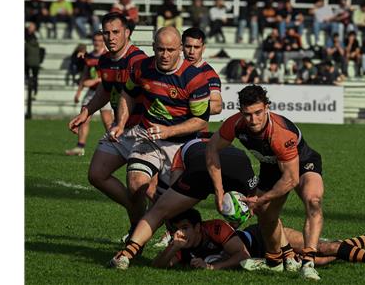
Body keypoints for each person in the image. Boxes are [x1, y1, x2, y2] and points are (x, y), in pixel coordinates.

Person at [107, 26, 212, 251]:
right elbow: (128, 94)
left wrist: (168, 131)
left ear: (180, 50)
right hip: (148, 137)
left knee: (173, 204)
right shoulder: (142, 67)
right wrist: (121, 123)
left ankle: (188, 244)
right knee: (136, 185)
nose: (165, 55)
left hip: (181, 145)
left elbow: (201, 121)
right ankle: (136, 230)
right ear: (153, 48)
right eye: (160, 49)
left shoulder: (195, 79)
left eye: (171, 50)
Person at [205, 85, 326, 280]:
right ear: (240, 111)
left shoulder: (280, 133)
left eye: (258, 112)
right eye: (248, 114)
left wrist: (260, 199)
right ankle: (276, 261)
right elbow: (211, 149)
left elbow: (291, 179)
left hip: (302, 163)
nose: (253, 120)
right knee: (265, 217)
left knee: (313, 201)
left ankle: (308, 262)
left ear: (267, 107)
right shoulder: (235, 124)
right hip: (270, 166)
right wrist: (219, 192)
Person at [109, 136, 259, 269]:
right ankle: (277, 255)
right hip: (201, 170)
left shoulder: (235, 164)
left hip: (200, 169)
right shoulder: (242, 169)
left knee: (161, 211)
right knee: (171, 213)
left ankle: (126, 254)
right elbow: (258, 204)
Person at [68, 12, 148, 241]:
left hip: (144, 130)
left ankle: (178, 233)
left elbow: (135, 95)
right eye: (106, 32)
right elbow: (105, 89)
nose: (111, 37)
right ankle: (139, 217)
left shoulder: (138, 61)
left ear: (127, 33)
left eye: (116, 32)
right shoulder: (104, 60)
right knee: (96, 174)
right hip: (120, 129)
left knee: (147, 188)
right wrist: (86, 112)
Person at [152, 209, 365, 271]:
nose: (181, 232)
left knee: (321, 248)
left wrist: (212, 267)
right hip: (264, 256)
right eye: (177, 229)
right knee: (324, 259)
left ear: (198, 226)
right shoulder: (183, 245)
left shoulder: (215, 229)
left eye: (185, 228)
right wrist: (173, 246)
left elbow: (242, 255)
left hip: (263, 236)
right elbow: (158, 267)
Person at [66, 31, 114, 156]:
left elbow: (110, 75)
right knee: (84, 119)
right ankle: (80, 147)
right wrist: (78, 92)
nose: (97, 43)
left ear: (104, 41)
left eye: (99, 40)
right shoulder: (89, 56)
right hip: (91, 92)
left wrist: (96, 80)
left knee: (107, 121)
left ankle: (115, 146)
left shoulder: (108, 56)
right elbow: (85, 75)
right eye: (95, 40)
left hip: (105, 92)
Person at [182, 27, 222, 115]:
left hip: (194, 127)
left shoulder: (209, 74)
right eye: (188, 46)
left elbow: (217, 106)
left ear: (203, 48)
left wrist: (181, 108)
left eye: (196, 47)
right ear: (182, 47)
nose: (191, 52)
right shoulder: (174, 67)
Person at [25, 22, 44, 101]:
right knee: (35, 78)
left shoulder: (27, 42)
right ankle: (34, 92)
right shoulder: (37, 42)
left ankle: (30, 87)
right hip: (36, 63)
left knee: (29, 76)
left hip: (28, 62)